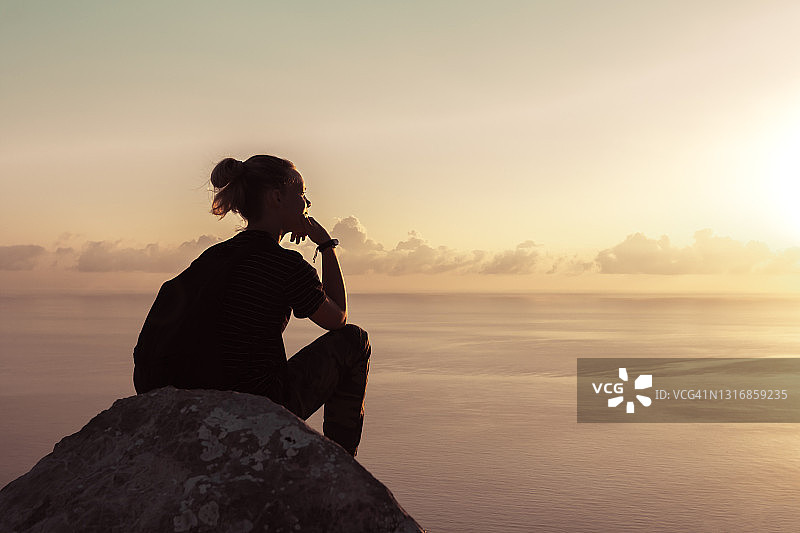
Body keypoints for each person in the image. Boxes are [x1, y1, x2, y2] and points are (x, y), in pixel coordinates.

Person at [132, 155, 370, 457]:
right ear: (277, 197)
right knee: (356, 340)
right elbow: (338, 319)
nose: (307, 204)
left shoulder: (212, 258)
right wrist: (325, 246)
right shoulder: (286, 265)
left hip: (188, 401)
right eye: (302, 195)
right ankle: (341, 460)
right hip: (258, 404)